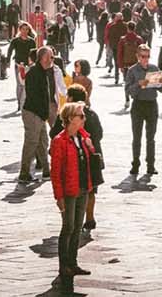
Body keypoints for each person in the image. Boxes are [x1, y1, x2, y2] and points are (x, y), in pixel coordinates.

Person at [49, 101, 97, 286]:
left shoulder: (83, 137)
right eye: (81, 116)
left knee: (77, 226)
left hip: (83, 187)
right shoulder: (59, 141)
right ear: (70, 119)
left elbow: (89, 158)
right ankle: (64, 265)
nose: (84, 119)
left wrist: (90, 145)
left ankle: (73, 262)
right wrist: (58, 197)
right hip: (69, 190)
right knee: (67, 227)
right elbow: (56, 172)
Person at [51, 85, 104, 235]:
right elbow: (99, 134)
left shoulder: (69, 112)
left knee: (79, 190)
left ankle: (76, 221)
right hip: (94, 158)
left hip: (82, 159)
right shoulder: (91, 113)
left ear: (71, 98)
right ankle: (90, 217)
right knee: (92, 190)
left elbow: (53, 132)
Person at [18, 47, 58, 184]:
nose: (51, 60)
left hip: (40, 113)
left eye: (52, 57)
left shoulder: (43, 71)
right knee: (32, 143)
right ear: (42, 58)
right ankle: (24, 173)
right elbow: (34, 96)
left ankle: (47, 170)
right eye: (49, 57)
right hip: (33, 113)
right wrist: (42, 113)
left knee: (42, 142)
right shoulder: (35, 72)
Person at [123, 44, 162, 176]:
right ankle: (135, 164)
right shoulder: (132, 70)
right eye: (143, 56)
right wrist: (138, 85)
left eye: (148, 56)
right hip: (138, 105)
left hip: (151, 104)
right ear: (138, 56)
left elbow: (160, 89)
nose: (146, 59)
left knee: (151, 137)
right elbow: (128, 90)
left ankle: (151, 165)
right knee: (137, 137)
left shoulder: (154, 68)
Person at [9, 22, 37, 109]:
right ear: (20, 30)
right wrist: (7, 61)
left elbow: (34, 53)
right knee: (19, 84)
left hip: (29, 65)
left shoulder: (31, 41)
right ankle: (19, 103)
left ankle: (25, 102)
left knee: (28, 84)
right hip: (19, 65)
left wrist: (34, 63)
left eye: (27, 29)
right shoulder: (15, 41)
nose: (25, 31)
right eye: (23, 29)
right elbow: (9, 51)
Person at [115, 20, 143, 97]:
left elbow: (119, 53)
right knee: (136, 81)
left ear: (127, 28)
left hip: (126, 64)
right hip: (136, 63)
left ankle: (127, 98)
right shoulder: (139, 39)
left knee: (127, 82)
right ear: (135, 28)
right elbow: (142, 52)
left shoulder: (122, 39)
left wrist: (120, 65)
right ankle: (134, 96)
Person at [103, 13, 127, 80]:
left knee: (116, 62)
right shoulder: (126, 25)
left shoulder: (112, 26)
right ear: (122, 18)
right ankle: (125, 76)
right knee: (124, 61)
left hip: (115, 47)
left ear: (116, 18)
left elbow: (109, 37)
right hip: (124, 47)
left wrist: (110, 45)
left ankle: (117, 76)